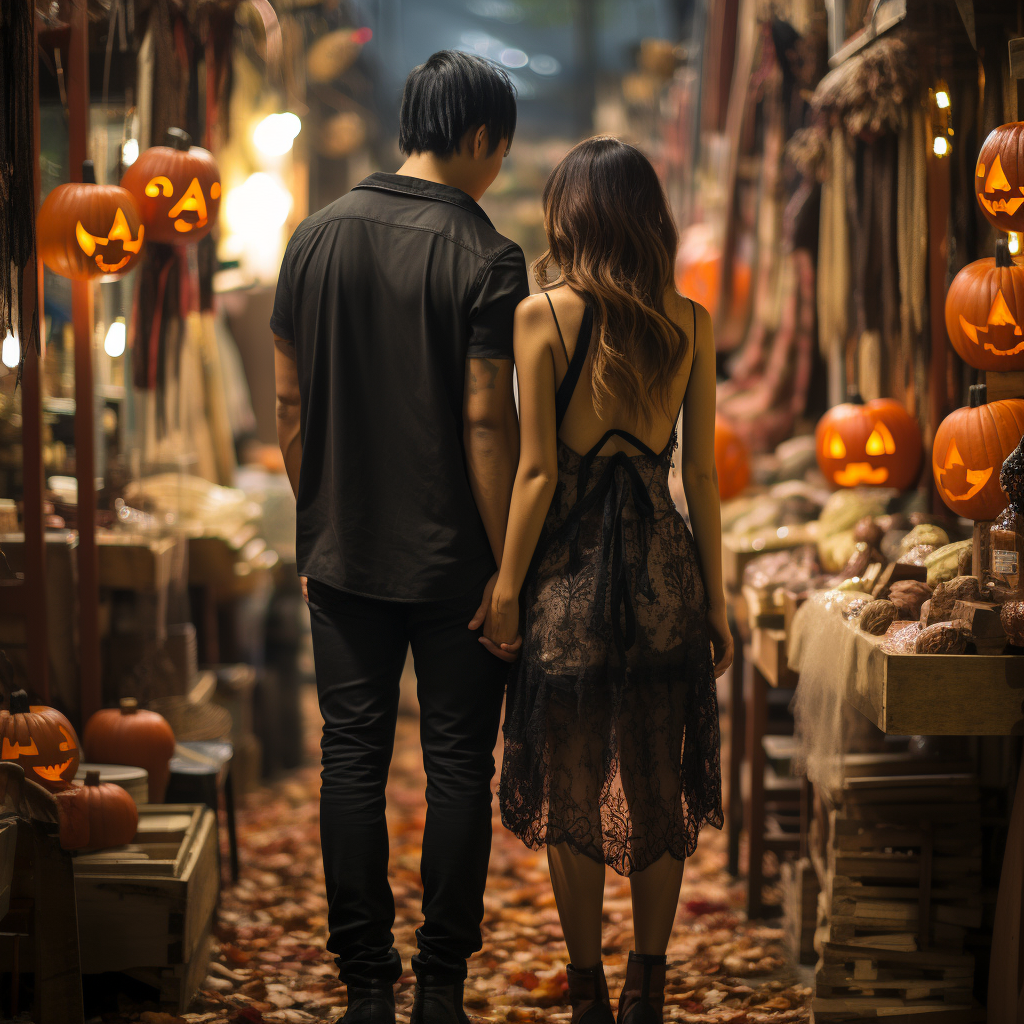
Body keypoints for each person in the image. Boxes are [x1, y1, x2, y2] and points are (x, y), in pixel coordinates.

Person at [271, 51, 529, 1024]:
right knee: (461, 762)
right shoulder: (488, 255)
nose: (495, 168)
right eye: (497, 150)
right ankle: (441, 988)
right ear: (476, 139)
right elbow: (483, 422)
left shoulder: (315, 237)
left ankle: (366, 986)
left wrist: (320, 521)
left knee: (353, 756)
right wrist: (509, 564)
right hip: (457, 559)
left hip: (343, 553)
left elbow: (290, 407)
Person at [482, 137, 732, 1024]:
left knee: (573, 785)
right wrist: (721, 599)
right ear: (648, 217)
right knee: (659, 783)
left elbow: (539, 475)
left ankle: (585, 985)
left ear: (569, 215)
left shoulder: (539, 317)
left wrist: (507, 586)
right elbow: (698, 476)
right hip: (667, 575)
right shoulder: (690, 321)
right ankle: (648, 986)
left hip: (569, 584)